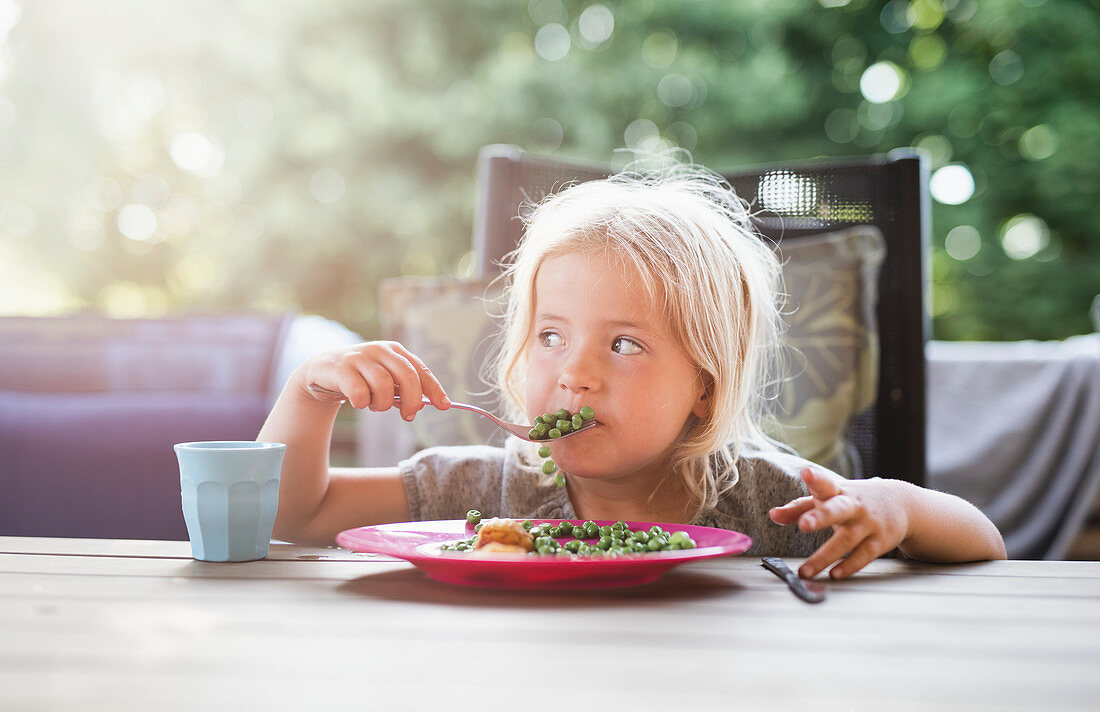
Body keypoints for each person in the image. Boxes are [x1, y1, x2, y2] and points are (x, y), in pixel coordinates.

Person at [258, 164, 1006, 579]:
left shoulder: (763, 497)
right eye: (550, 335)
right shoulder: (483, 491)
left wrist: (893, 506)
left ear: (706, 383)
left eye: (624, 345)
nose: (575, 374)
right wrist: (311, 392)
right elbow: (295, 513)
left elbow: (985, 543)